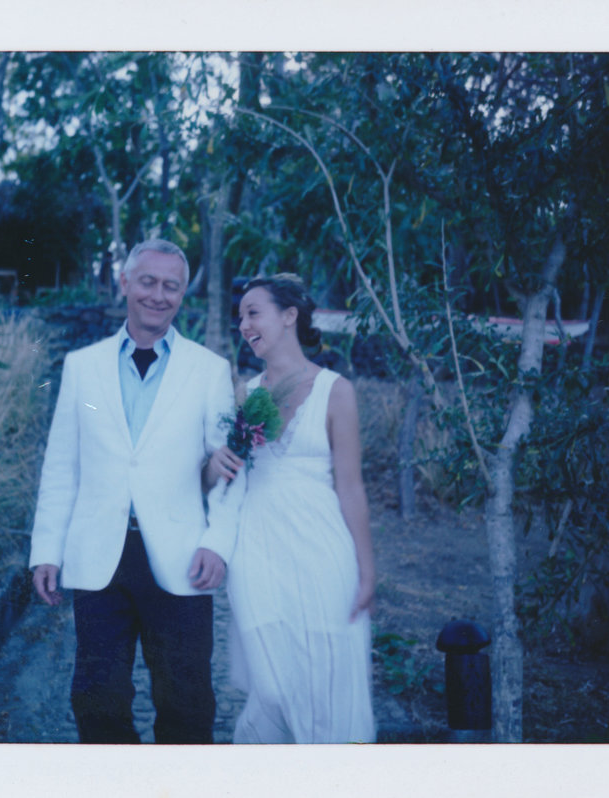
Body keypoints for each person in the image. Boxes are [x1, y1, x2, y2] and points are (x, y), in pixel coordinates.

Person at [28, 239, 238, 744]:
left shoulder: (208, 371)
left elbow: (231, 468)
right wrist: (46, 552)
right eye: (148, 281)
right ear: (125, 283)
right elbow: (63, 466)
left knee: (187, 702)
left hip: (182, 556)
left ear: (183, 294)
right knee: (97, 699)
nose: (158, 295)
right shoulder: (84, 366)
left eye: (172, 286)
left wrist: (218, 542)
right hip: (101, 557)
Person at [207, 273, 377, 743]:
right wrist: (212, 464)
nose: (243, 324)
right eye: (239, 316)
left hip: (321, 548)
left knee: (325, 677)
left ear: (288, 317)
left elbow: (351, 486)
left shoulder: (335, 391)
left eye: (253, 313)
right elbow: (222, 478)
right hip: (257, 549)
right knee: (273, 685)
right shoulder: (245, 393)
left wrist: (366, 571)